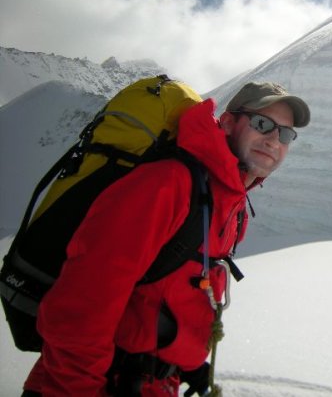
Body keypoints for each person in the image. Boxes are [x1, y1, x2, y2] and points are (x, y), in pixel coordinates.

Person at [22, 82, 310, 396]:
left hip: (155, 384)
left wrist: (187, 363)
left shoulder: (229, 203)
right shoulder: (168, 185)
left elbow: (169, 293)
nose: (273, 140)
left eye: (285, 134)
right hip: (93, 384)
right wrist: (76, 388)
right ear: (228, 122)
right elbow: (82, 302)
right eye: (262, 124)